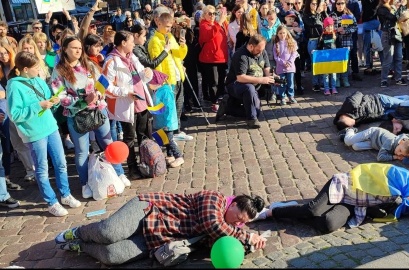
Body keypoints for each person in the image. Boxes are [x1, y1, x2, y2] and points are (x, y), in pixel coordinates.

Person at [54, 191, 267, 265]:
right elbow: (211, 223)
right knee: (109, 232)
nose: (235, 223)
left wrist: (251, 245)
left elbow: (225, 248)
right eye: (237, 217)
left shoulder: (227, 229)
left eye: (240, 223)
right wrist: (246, 236)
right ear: (233, 203)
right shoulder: (215, 199)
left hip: (157, 239)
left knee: (112, 256)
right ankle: (79, 232)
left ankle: (81, 246)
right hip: (150, 209)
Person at [252, 163, 409, 233]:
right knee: (312, 210)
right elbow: (381, 170)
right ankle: (271, 211)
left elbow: (384, 213)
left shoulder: (407, 206)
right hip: (344, 186)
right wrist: (405, 192)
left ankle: (297, 207)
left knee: (327, 225)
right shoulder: (408, 182)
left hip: (354, 205)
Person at [51, 36, 130, 199]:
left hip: (98, 111)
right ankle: (85, 183)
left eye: (79, 48)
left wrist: (99, 94)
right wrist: (81, 101)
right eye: (73, 48)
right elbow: (60, 96)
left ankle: (119, 172)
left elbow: (103, 82)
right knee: (82, 152)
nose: (78, 51)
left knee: (108, 143)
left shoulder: (89, 64)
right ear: (65, 49)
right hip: (77, 115)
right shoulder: (59, 71)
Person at [7, 52, 82, 216]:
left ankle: (66, 194)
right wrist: (38, 106)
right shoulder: (14, 85)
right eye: (35, 67)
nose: (39, 69)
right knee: (42, 169)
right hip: (34, 133)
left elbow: (47, 99)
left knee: (61, 163)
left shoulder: (39, 80)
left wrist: (54, 101)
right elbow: (14, 114)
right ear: (25, 69)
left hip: (51, 127)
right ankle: (51, 202)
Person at [103, 30, 154, 180]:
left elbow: (141, 76)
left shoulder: (132, 56)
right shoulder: (111, 61)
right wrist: (125, 92)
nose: (133, 44)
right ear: (123, 43)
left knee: (143, 134)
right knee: (130, 137)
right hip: (127, 105)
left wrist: (147, 74)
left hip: (141, 101)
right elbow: (106, 88)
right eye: (131, 41)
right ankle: (132, 168)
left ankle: (147, 162)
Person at [148, 10, 191, 140]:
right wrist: (162, 81)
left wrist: (182, 46)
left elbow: (178, 55)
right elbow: (157, 63)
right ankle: (168, 136)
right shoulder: (155, 40)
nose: (168, 29)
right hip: (167, 80)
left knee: (178, 105)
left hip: (177, 75)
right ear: (159, 23)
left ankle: (176, 130)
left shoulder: (170, 37)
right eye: (166, 27)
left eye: (170, 27)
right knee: (167, 110)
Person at [220, 34, 275, 128]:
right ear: (250, 46)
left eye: (262, 50)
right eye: (258, 50)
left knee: (256, 112)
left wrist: (271, 77)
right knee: (249, 88)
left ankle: (228, 108)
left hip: (255, 85)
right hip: (236, 85)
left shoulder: (262, 51)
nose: (260, 52)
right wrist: (261, 80)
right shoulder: (241, 55)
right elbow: (240, 77)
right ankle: (251, 120)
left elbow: (266, 68)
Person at [198, 5, 229, 111]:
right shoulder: (203, 25)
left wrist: (222, 19)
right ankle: (214, 101)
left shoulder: (218, 24)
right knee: (213, 81)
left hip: (221, 57)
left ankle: (221, 99)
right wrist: (219, 22)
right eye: (210, 13)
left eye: (214, 13)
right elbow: (208, 35)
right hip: (210, 58)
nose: (212, 16)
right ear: (204, 15)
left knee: (221, 80)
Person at [377, 0, 408, 87]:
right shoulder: (381, 9)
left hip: (397, 33)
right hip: (387, 34)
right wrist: (401, 6)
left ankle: (398, 78)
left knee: (398, 57)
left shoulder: (394, 7)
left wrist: (400, 7)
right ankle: (384, 79)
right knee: (388, 58)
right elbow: (394, 18)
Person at [340, 126, 409, 161]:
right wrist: (395, 157)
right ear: (401, 142)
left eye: (401, 154)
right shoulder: (390, 142)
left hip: (374, 144)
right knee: (348, 141)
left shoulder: (404, 145)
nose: (398, 153)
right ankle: (350, 129)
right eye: (400, 151)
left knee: (355, 146)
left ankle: (351, 136)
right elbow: (380, 157)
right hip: (372, 133)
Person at [330, 0, 357, 88]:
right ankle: (337, 78)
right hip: (335, 42)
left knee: (345, 61)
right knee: (336, 61)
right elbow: (328, 28)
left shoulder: (349, 15)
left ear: (345, 4)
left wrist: (346, 31)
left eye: (342, 3)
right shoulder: (332, 15)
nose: (340, 5)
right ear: (336, 4)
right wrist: (336, 30)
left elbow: (355, 26)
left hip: (347, 41)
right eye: (338, 3)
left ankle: (345, 78)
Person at [303, 0, 328, 92]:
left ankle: (322, 82)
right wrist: (317, 13)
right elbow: (313, 23)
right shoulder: (306, 16)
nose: (315, 5)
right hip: (313, 41)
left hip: (322, 40)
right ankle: (315, 83)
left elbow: (328, 22)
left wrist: (324, 11)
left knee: (322, 62)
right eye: (313, 4)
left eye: (316, 4)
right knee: (315, 63)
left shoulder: (320, 14)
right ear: (308, 4)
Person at [273, 25, 299, 105]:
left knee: (290, 82)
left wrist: (290, 62)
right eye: (280, 33)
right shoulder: (276, 44)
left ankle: (291, 96)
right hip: (281, 67)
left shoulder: (292, 42)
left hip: (290, 67)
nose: (282, 35)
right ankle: (282, 97)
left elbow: (294, 53)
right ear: (277, 34)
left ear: (286, 33)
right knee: (281, 83)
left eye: (284, 33)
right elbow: (276, 57)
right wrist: (283, 63)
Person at [318, 17, 342, 95]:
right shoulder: (322, 36)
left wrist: (343, 50)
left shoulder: (335, 35)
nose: (330, 28)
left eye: (331, 26)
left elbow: (339, 45)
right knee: (326, 74)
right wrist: (316, 51)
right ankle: (326, 89)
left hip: (333, 58)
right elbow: (319, 47)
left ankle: (333, 88)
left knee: (333, 74)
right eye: (328, 26)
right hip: (325, 58)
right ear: (325, 27)